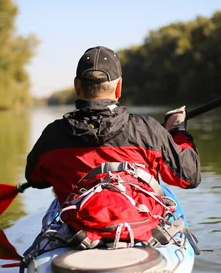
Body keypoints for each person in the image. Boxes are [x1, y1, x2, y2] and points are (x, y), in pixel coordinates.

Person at [25, 46, 200, 204]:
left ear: (77, 86)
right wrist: (178, 132)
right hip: (138, 231)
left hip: (78, 233)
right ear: (119, 88)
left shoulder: (53, 135)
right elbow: (189, 177)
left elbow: (36, 180)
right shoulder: (148, 129)